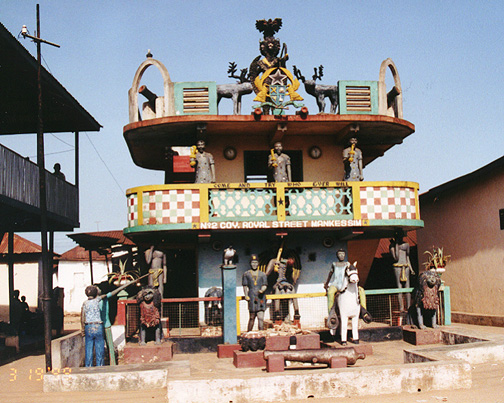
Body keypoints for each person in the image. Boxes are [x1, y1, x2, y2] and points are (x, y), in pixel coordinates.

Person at [389, 230, 415, 311]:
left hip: (406, 266)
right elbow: (396, 257)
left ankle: (408, 307)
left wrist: (411, 268)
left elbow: (407, 257)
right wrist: (396, 245)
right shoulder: (392, 246)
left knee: (407, 287)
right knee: (399, 287)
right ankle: (401, 308)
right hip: (397, 267)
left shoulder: (406, 245)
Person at [242, 254, 268, 331]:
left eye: (256, 262)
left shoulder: (262, 274)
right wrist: (246, 295)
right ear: (250, 263)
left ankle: (261, 334)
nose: (254, 264)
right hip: (252, 297)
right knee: (252, 317)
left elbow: (265, 284)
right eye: (253, 262)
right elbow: (245, 285)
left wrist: (262, 290)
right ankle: (248, 333)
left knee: (260, 317)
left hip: (261, 297)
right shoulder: (246, 274)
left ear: (258, 263)